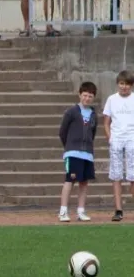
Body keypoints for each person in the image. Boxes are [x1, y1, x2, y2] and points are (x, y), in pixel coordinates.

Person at [57, 82, 98, 222]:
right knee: (70, 179)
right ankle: (63, 211)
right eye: (85, 95)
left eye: (90, 96)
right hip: (73, 153)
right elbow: (62, 132)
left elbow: (93, 132)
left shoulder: (93, 114)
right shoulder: (71, 112)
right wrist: (69, 147)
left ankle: (81, 211)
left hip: (87, 154)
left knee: (84, 182)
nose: (87, 98)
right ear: (80, 95)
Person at [103, 71, 134, 222]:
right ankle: (118, 210)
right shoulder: (111, 99)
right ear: (118, 84)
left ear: (131, 86)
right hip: (117, 139)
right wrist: (110, 138)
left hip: (132, 139)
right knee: (116, 175)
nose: (124, 87)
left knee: (133, 175)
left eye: (127, 84)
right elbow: (106, 122)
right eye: (122, 84)